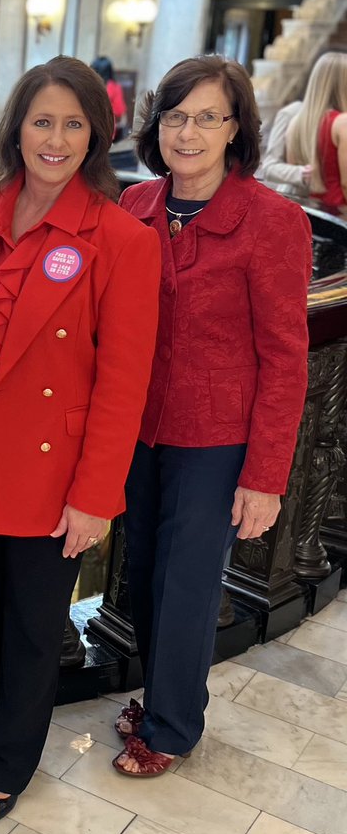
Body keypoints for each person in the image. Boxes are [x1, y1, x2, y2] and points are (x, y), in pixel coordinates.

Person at [0, 55, 160, 828]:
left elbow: (123, 384)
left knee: (35, 620)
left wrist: (96, 494)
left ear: (97, 131)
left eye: (72, 122)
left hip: (50, 456)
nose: (55, 138)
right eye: (41, 120)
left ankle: (11, 760)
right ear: (16, 128)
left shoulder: (121, 238)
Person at [117, 56, 311, 776]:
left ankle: (171, 725)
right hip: (138, 430)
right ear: (156, 126)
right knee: (142, 570)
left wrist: (265, 476)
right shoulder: (133, 210)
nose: (188, 132)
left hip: (216, 437)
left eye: (207, 116)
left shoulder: (272, 222)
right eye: (175, 116)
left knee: (189, 584)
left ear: (236, 129)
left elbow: (287, 359)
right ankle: (161, 695)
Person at [280, 51, 347, 209]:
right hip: (340, 215)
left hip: (311, 212)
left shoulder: (295, 123)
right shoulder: (342, 122)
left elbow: (297, 175)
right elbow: (346, 184)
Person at [92, 57, 126, 132]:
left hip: (87, 126)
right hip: (107, 128)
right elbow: (119, 109)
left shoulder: (87, 86)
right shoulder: (114, 87)